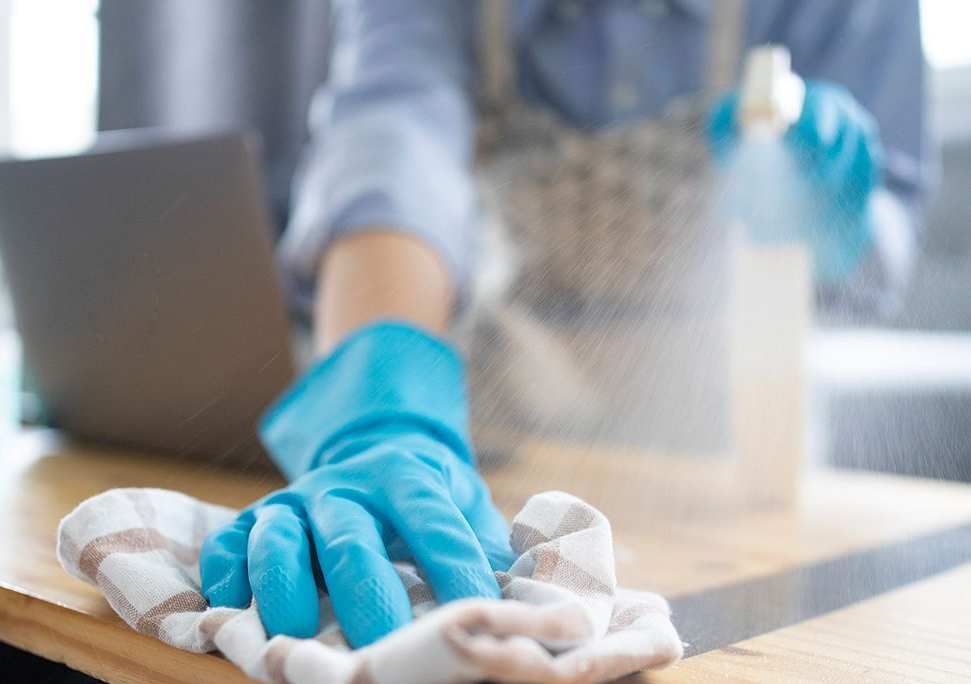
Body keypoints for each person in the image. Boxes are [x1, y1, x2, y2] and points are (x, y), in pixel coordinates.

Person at [196, 0, 929, 650]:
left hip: (740, 441)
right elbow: (393, 144)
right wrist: (378, 406)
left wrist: (838, 216)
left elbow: (886, 239)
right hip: (514, 413)